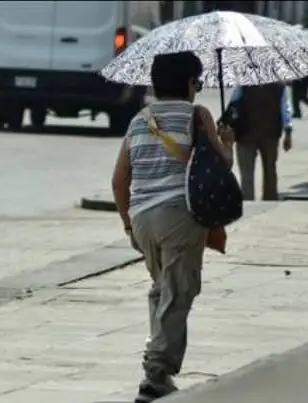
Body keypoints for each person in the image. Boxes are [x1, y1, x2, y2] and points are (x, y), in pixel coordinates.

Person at [111, 51, 234, 403]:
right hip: (179, 216)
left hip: (142, 219)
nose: (199, 88)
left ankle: (160, 374)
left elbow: (119, 180)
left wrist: (128, 226)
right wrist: (227, 143)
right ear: (188, 82)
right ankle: (155, 375)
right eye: (198, 81)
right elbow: (221, 165)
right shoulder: (197, 115)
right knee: (179, 294)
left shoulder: (139, 119)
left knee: (162, 289)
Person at [229, 83, 293, 201]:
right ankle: (269, 202)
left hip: (246, 134)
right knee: (270, 172)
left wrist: (230, 126)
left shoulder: (244, 83)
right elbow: (285, 109)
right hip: (269, 133)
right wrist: (288, 131)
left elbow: (233, 104)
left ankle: (248, 203)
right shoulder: (278, 85)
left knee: (247, 175)